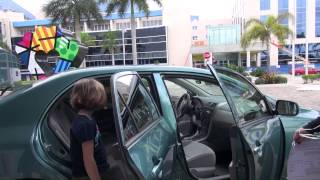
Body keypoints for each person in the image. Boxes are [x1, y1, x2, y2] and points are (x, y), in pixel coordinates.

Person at [70, 78, 109, 180]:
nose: (102, 98)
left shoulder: (86, 119)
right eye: (99, 95)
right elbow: (88, 159)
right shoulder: (85, 124)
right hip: (87, 176)